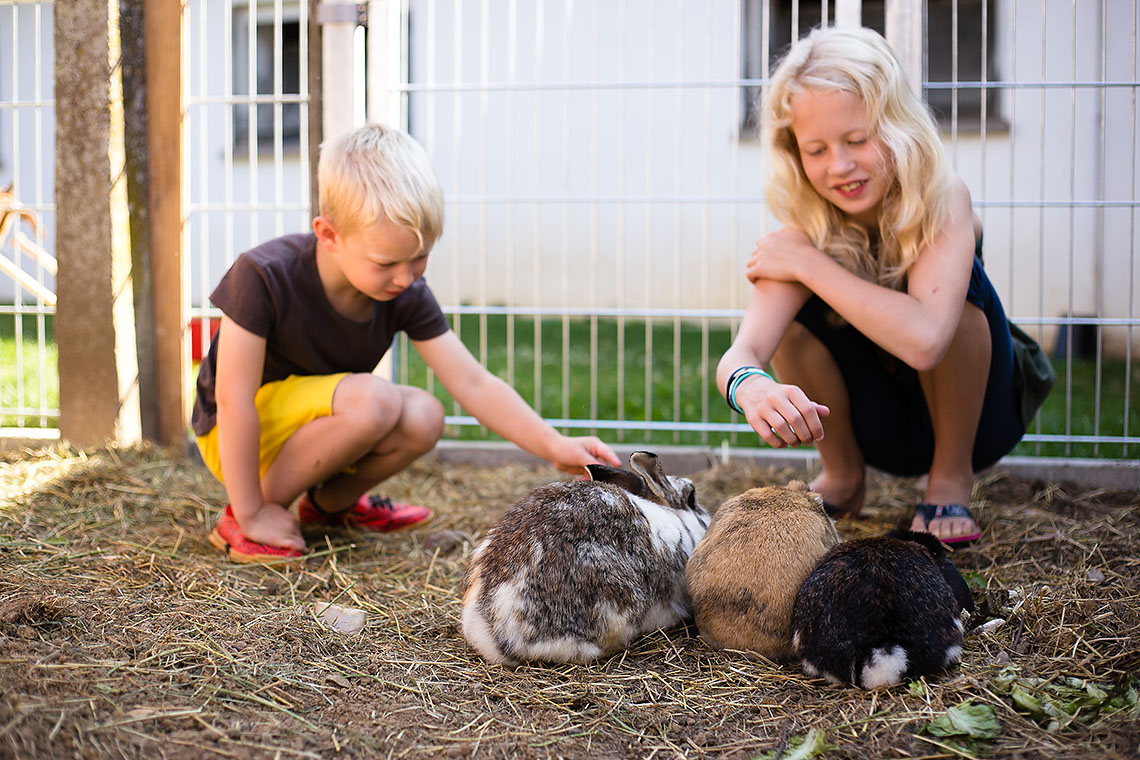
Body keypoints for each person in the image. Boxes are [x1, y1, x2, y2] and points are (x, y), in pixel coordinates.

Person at [193, 123, 620, 564]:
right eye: (386, 263)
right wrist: (250, 509)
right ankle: (247, 516)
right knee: (373, 400)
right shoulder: (262, 276)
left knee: (423, 415)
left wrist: (553, 444)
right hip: (235, 436)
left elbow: (473, 383)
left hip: (314, 426)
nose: (405, 277)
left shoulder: (404, 291)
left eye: (419, 257)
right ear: (329, 235)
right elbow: (233, 399)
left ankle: (330, 506)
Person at [718, 26, 1025, 545]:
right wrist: (752, 386)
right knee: (791, 318)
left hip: (979, 422)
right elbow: (740, 353)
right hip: (874, 427)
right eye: (816, 149)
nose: (839, 166)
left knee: (961, 293)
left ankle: (949, 480)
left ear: (897, 127)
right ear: (794, 153)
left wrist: (811, 266)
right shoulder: (803, 233)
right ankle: (843, 475)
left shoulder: (943, 200)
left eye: (858, 140)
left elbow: (926, 341)